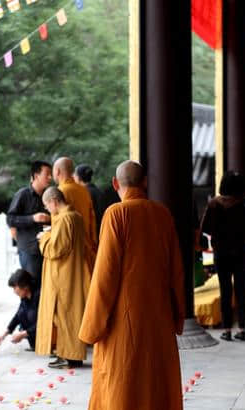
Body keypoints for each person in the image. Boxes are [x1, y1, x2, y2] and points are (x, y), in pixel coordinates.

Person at [79, 161, 185, 410]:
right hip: (158, 321)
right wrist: (178, 315)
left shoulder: (117, 213)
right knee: (156, 385)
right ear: (145, 182)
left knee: (123, 385)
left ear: (116, 184)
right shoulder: (163, 214)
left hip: (124, 323)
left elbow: (105, 276)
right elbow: (176, 271)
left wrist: (91, 327)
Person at [35, 187, 89, 369]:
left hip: (64, 276)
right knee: (66, 314)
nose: (47, 209)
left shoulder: (66, 218)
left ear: (54, 201)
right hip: (69, 273)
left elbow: (55, 249)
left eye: (46, 205)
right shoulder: (74, 216)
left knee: (65, 314)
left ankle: (70, 356)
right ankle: (64, 353)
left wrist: (44, 238)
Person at [201, 171, 245, 341]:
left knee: (225, 290)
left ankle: (227, 330)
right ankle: (242, 329)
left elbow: (206, 229)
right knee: (241, 291)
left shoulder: (213, 205)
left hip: (222, 254)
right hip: (241, 253)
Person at [7, 161, 52, 288]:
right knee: (32, 288)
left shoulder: (48, 195)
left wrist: (50, 219)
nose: (50, 177)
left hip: (46, 249)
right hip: (29, 250)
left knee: (45, 289)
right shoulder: (23, 194)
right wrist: (32, 218)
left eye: (50, 174)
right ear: (36, 175)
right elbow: (10, 219)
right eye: (47, 174)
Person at [53, 157, 97, 272]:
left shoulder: (59, 193)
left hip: (69, 253)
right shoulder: (83, 190)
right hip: (87, 248)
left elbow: (58, 228)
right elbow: (92, 219)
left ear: (57, 171)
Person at [0, 269, 39, 350]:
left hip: (43, 337)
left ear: (25, 286)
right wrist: (4, 335)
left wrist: (23, 334)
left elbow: (44, 323)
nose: (14, 291)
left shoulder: (39, 296)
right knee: (22, 313)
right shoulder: (24, 298)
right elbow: (17, 316)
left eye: (15, 287)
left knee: (31, 314)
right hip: (34, 340)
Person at [73, 163, 104, 236]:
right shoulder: (99, 191)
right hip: (101, 230)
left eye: (74, 175)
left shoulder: (82, 194)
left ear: (78, 178)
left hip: (89, 232)